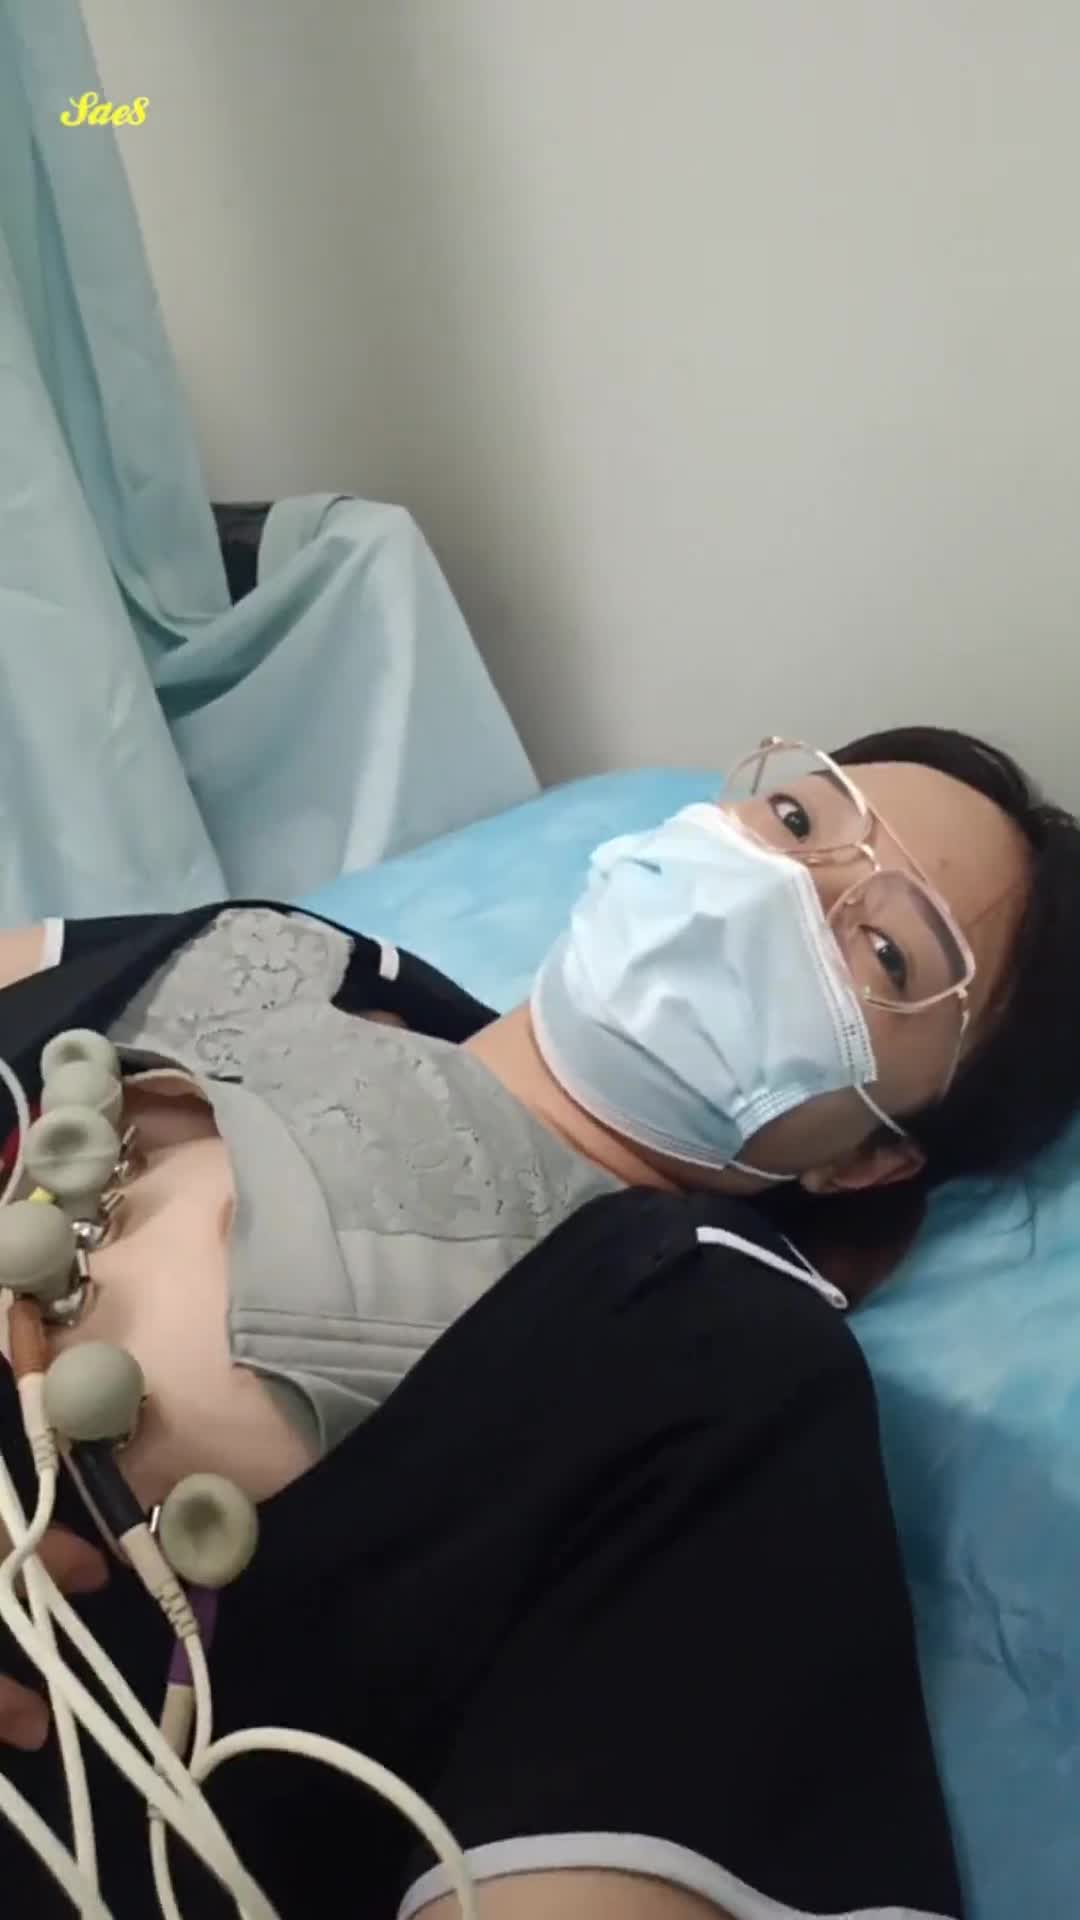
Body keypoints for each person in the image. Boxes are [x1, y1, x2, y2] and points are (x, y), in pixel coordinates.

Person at [1, 724, 1079, 1920]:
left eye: (885, 950)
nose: (788, 888)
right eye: (797, 820)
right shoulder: (268, 948)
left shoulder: (715, 1357)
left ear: (869, 1160)